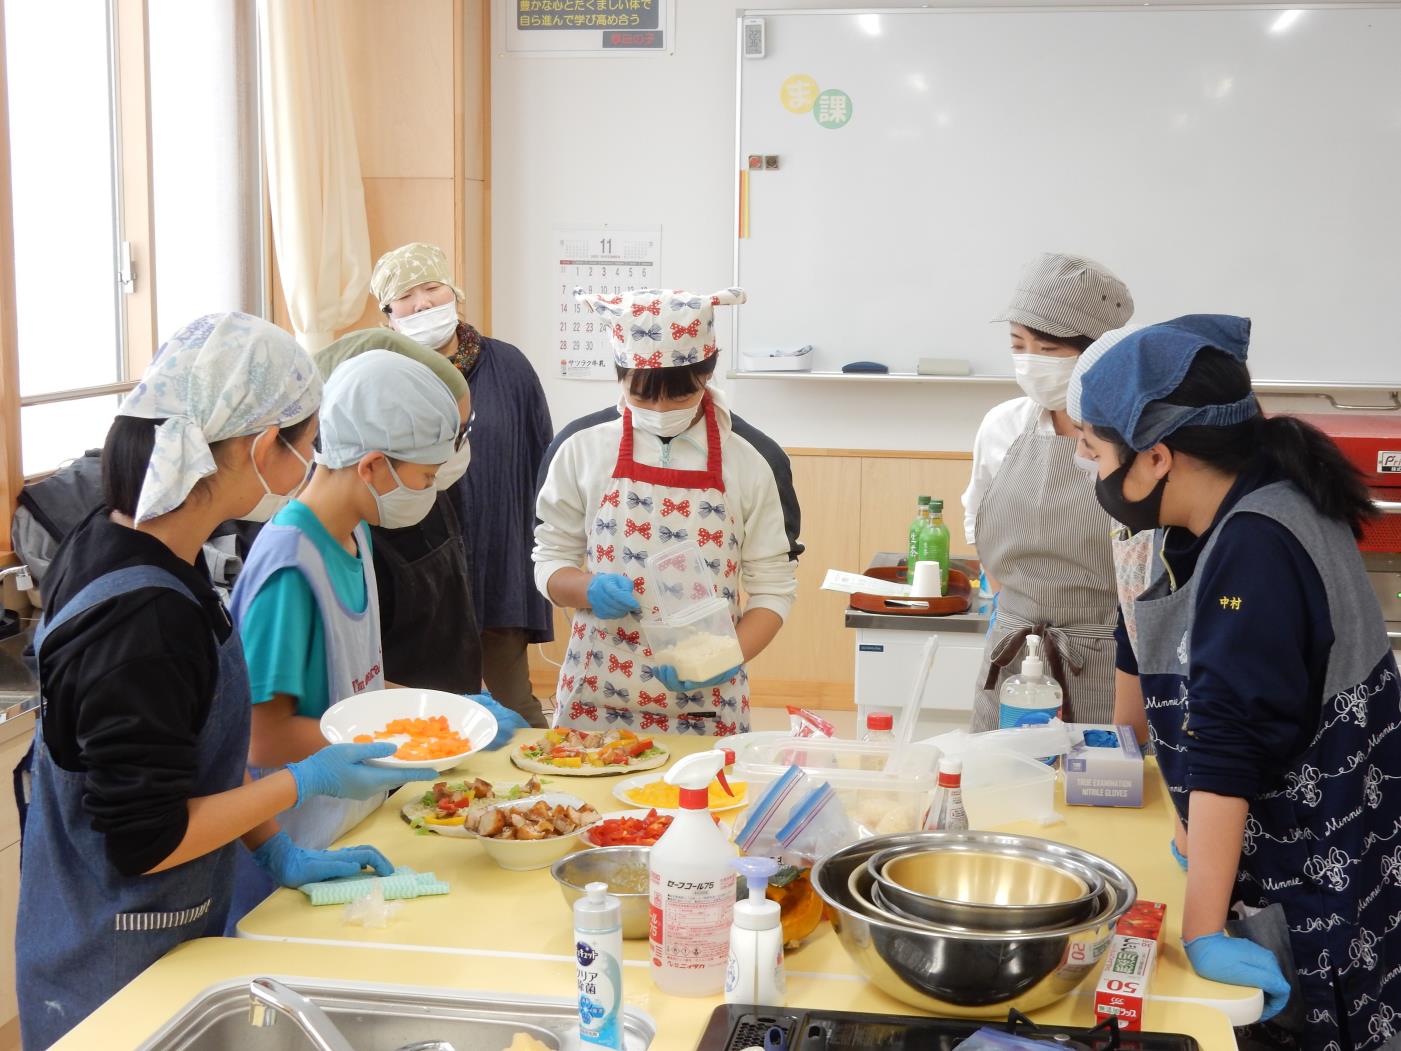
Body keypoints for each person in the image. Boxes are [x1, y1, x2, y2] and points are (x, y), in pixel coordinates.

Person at [14, 313, 414, 1050]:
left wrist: (273, 848)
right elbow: (146, 837)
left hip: (173, 935)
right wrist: (301, 780)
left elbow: (188, 759)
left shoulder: (154, 544)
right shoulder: (141, 622)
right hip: (111, 970)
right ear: (262, 447)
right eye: (306, 442)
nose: (309, 464)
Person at [1076, 314, 1401, 1050]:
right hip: (1299, 869)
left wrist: (1200, 929)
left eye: (1091, 449)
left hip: (1310, 897)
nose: (1088, 469)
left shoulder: (1254, 544)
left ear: (1156, 457)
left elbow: (1227, 741)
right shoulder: (1239, 506)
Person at [229, 350, 528, 917]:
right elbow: (258, 739)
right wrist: (404, 744)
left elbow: (352, 687)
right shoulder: (290, 569)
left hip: (351, 828)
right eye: (424, 476)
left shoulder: (355, 534)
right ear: (370, 467)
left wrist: (447, 715)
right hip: (294, 849)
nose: (432, 490)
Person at [533, 287, 802, 737]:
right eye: (642, 396)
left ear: (707, 372)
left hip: (707, 705)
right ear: (619, 374)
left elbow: (773, 589)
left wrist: (725, 656)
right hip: (595, 700)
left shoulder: (753, 461)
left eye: (678, 398)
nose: (659, 412)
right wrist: (586, 587)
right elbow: (549, 559)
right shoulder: (581, 449)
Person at [371, 242, 554, 726]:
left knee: (516, 704)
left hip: (499, 553)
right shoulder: (380, 376)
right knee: (435, 712)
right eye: (406, 297)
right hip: (416, 565)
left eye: (431, 288)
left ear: (454, 292)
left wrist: (544, 548)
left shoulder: (508, 367)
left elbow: (541, 457)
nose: (423, 303)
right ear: (388, 314)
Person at [964, 252, 1134, 731]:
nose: (1030, 362)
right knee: (998, 793)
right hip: (1013, 656)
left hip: (1107, 662)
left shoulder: (1135, 438)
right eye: (1019, 345)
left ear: (1099, 352)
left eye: (1050, 350)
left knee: (1098, 792)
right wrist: (1023, 609)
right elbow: (980, 526)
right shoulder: (1003, 426)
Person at [316, 330, 483, 694]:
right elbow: (344, 683)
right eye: (442, 437)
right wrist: (435, 712)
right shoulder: (331, 541)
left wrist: (476, 692)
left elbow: (453, 613)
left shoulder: (421, 493)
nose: (453, 451)